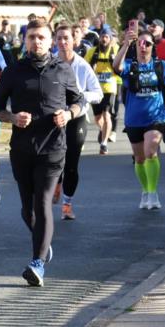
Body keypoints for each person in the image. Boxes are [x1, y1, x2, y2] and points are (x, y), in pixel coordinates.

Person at [0, 20, 86, 288]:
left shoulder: (63, 69)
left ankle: (37, 263)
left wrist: (68, 114)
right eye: (32, 37)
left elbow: (79, 101)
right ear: (26, 40)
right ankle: (43, 242)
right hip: (22, 148)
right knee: (27, 210)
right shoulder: (13, 71)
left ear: (50, 41)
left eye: (42, 37)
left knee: (42, 202)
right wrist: (12, 117)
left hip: (53, 147)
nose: (37, 41)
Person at [113, 28, 165, 209]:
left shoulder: (161, 65)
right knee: (139, 159)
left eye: (147, 43)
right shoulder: (130, 65)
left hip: (156, 116)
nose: (143, 46)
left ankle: (153, 193)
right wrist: (125, 45)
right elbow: (116, 67)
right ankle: (146, 190)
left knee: (150, 151)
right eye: (140, 43)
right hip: (134, 119)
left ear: (152, 46)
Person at [53, 25, 102, 220]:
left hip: (76, 119)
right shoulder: (50, 63)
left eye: (66, 38)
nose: (63, 42)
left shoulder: (82, 66)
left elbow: (98, 93)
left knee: (71, 163)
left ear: (74, 41)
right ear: (54, 41)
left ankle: (67, 204)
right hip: (55, 119)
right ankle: (56, 183)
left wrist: (81, 96)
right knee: (54, 159)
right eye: (59, 38)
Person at [85, 29, 119, 154]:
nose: (104, 39)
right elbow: (85, 66)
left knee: (106, 115)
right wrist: (91, 67)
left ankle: (104, 144)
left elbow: (121, 65)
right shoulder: (92, 51)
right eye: (102, 37)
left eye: (106, 37)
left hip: (110, 88)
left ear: (110, 39)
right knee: (98, 118)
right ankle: (104, 129)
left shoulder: (115, 50)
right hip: (95, 88)